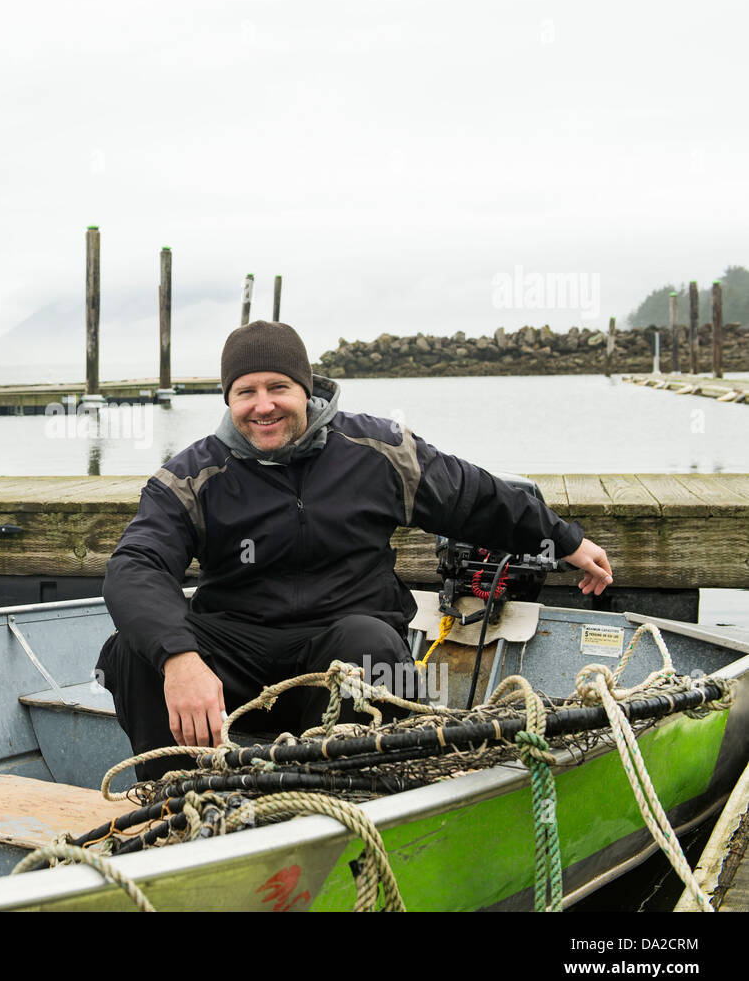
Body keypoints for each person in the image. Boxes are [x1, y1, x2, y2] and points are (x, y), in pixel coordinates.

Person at [96, 320, 613, 780]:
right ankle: (175, 797)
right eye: (245, 392)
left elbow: (472, 496)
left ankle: (346, 794)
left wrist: (564, 539)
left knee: (369, 644)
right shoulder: (194, 474)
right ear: (229, 401)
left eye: (279, 387)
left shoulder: (377, 450)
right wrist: (180, 659)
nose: (263, 405)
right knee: (134, 651)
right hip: (239, 659)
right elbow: (135, 565)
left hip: (343, 646)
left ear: (307, 389)